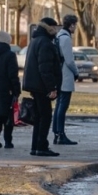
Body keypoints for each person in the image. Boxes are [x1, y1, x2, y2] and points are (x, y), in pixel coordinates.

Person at [22, 17, 62, 157]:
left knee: (39, 117)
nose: (56, 31)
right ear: (49, 27)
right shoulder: (45, 43)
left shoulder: (35, 41)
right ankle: (41, 147)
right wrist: (52, 88)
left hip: (35, 85)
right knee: (45, 117)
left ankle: (36, 147)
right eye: (55, 28)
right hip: (42, 86)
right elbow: (45, 68)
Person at [52, 14, 79, 145]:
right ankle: (61, 134)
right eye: (75, 25)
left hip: (59, 74)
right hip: (65, 75)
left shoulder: (58, 36)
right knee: (63, 105)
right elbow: (69, 60)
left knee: (58, 105)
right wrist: (76, 72)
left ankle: (56, 133)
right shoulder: (66, 39)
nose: (76, 28)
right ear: (71, 25)